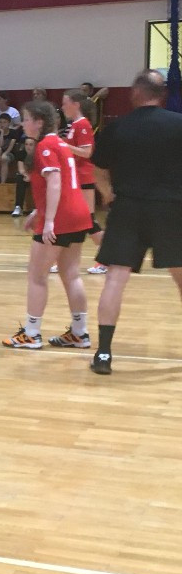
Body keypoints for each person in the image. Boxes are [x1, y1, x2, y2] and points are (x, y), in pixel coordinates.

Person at [89, 70, 182, 375]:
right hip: (171, 209)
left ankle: (103, 354)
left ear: (135, 93)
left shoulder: (117, 128)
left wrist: (108, 194)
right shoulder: (178, 124)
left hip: (128, 208)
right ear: (163, 94)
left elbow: (98, 170)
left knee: (115, 278)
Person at [2, 101, 92, 349]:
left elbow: (54, 181)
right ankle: (80, 332)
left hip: (61, 217)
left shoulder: (45, 146)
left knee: (37, 276)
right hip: (78, 214)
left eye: (26, 119)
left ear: (39, 122)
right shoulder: (61, 144)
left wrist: (49, 220)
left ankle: (31, 334)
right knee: (71, 274)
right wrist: (37, 211)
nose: (22, 123)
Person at [61, 89, 106, 274]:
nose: (63, 107)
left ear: (76, 105)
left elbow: (87, 152)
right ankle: (64, 260)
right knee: (71, 220)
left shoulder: (83, 124)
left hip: (84, 176)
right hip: (74, 177)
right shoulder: (74, 125)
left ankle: (107, 259)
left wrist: (63, 145)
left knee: (88, 220)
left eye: (65, 103)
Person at [0, 112, 24, 183]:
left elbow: (11, 146)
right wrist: (2, 133)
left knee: (4, 158)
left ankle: (3, 182)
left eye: (4, 122)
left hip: (10, 153)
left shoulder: (13, 132)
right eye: (0, 122)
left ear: (9, 123)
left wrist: (5, 153)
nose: (2, 124)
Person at [11, 135, 37, 216]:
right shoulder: (21, 154)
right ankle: (18, 207)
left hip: (36, 175)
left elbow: (39, 170)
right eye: (26, 144)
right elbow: (21, 169)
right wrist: (26, 175)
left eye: (31, 145)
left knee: (39, 181)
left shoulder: (39, 154)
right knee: (19, 178)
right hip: (27, 175)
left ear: (35, 146)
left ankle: (36, 208)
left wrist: (32, 176)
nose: (28, 147)